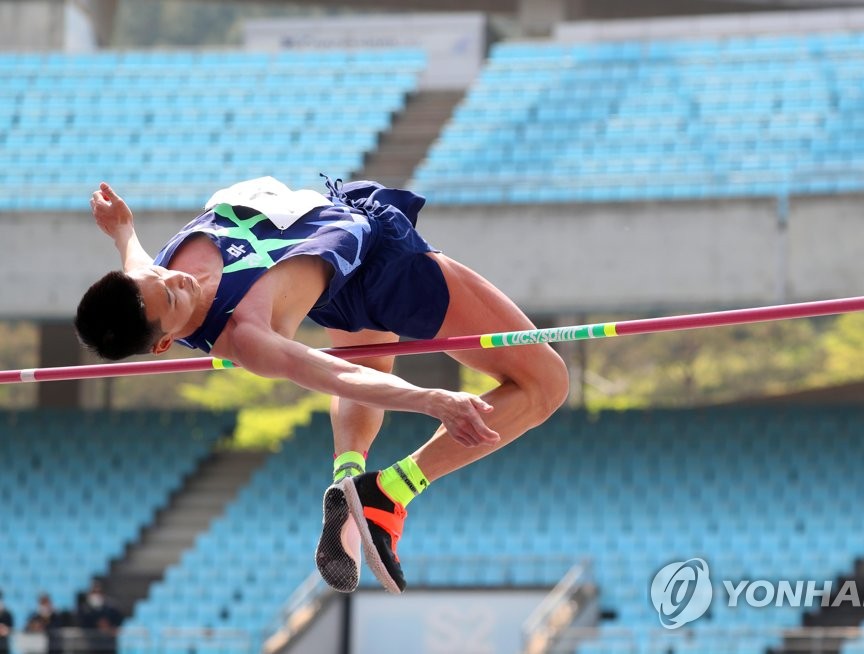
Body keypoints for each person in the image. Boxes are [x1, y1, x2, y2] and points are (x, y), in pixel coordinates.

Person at [74, 177, 569, 594]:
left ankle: (348, 478)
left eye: (162, 278)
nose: (176, 282)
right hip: (385, 266)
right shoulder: (247, 336)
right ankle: (391, 491)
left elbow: (135, 260)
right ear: (164, 344)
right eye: (172, 300)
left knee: (376, 358)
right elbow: (339, 373)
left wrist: (123, 229)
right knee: (546, 383)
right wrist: (433, 400)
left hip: (337, 274)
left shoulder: (146, 280)